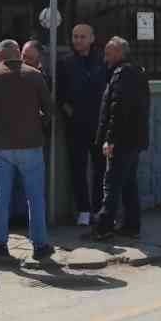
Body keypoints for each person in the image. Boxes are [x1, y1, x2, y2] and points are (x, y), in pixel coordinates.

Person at [0, 38, 55, 261]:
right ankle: (40, 245)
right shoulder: (34, 75)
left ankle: (1, 243)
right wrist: (38, 124)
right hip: (31, 145)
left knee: (0, 196)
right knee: (35, 197)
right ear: (18, 54)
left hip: (1, 147)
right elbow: (49, 109)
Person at [92, 36, 150, 239]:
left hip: (123, 140)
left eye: (109, 52)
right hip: (134, 140)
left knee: (112, 183)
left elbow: (118, 109)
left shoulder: (122, 73)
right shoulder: (136, 71)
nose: (105, 57)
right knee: (128, 183)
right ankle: (131, 225)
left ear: (119, 53)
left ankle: (103, 227)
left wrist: (110, 139)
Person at [55, 21, 107, 226]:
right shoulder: (65, 62)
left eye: (82, 36)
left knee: (100, 168)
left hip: (99, 124)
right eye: (75, 36)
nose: (77, 40)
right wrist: (70, 113)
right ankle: (83, 210)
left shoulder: (102, 61)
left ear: (92, 38)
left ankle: (98, 208)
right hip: (76, 125)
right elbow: (59, 94)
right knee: (77, 167)